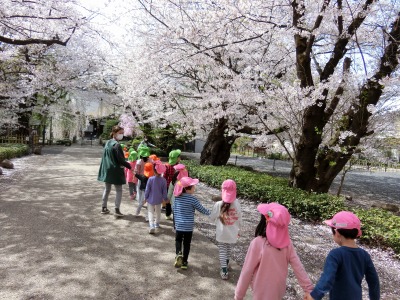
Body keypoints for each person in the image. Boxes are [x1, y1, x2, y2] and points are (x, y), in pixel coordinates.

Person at [235, 202, 313, 300]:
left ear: (266, 221)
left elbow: (247, 271)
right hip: (278, 291)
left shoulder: (258, 243)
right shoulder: (288, 245)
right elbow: (298, 267)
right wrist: (309, 289)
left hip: (260, 291)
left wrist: (238, 296)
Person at [305, 211, 380, 300]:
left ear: (337, 233)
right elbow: (374, 282)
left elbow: (327, 278)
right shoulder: (364, 255)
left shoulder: (335, 254)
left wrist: (314, 296)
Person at [173, 176, 210, 270]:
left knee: (178, 241)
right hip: (188, 227)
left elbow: (175, 211)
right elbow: (202, 210)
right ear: (187, 189)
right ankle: (184, 262)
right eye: (193, 186)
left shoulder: (177, 198)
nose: (195, 188)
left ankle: (178, 254)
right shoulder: (192, 199)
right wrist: (213, 213)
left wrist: (175, 224)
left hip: (179, 225)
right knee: (187, 244)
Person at [209, 179, 242, 280]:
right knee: (228, 248)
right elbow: (240, 217)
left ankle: (224, 270)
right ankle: (226, 264)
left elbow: (212, 217)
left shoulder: (218, 204)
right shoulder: (237, 203)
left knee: (222, 249)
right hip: (233, 232)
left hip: (221, 232)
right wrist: (239, 228)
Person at [98, 125, 132, 216]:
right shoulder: (117, 145)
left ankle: (104, 207)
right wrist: (130, 166)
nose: (121, 135)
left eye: (122, 133)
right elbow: (121, 160)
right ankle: (117, 210)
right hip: (116, 170)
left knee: (107, 189)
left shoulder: (108, 142)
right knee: (119, 190)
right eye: (120, 133)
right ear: (114, 133)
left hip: (107, 169)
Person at [144, 161, 167, 234]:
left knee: (150, 211)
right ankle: (157, 223)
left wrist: (145, 197)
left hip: (150, 199)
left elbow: (147, 189)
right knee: (158, 212)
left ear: (154, 170)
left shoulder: (150, 179)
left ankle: (151, 225)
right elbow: (164, 191)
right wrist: (165, 198)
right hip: (159, 199)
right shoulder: (164, 180)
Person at [167, 163, 188, 231]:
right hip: (185, 203)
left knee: (175, 216)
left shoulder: (173, 182)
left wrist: (168, 199)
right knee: (183, 216)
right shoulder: (188, 183)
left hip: (174, 202)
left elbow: (170, 192)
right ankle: (183, 228)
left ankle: (176, 227)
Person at [164, 149, 182, 219]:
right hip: (177, 186)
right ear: (176, 158)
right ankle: (175, 215)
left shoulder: (168, 166)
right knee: (176, 201)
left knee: (168, 200)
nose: (180, 158)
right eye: (179, 157)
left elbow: (165, 176)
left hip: (168, 185)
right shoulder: (180, 166)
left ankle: (168, 214)